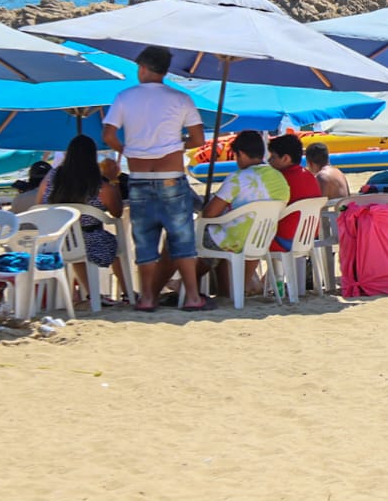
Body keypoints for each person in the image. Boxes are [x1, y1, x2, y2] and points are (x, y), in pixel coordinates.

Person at [102, 44, 208, 312]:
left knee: (145, 240)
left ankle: (147, 298)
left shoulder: (125, 97)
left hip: (139, 177)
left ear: (143, 68)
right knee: (181, 240)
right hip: (171, 175)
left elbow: (108, 135)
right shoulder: (181, 99)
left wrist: (126, 150)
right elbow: (197, 138)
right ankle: (193, 297)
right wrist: (177, 145)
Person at [201, 130, 290, 294]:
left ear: (240, 153)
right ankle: (233, 291)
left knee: (196, 234)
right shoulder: (279, 178)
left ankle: (187, 286)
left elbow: (209, 214)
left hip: (232, 240)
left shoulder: (238, 178)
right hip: (261, 239)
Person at [39, 135, 124, 302]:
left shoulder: (51, 178)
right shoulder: (98, 185)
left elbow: (40, 205)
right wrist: (113, 178)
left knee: (77, 241)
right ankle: (127, 292)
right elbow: (117, 212)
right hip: (91, 243)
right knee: (112, 243)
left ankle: (93, 293)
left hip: (56, 242)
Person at [266, 133, 320, 252]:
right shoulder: (309, 176)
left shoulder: (279, 179)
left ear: (285, 158)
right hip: (309, 237)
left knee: (245, 240)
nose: (269, 161)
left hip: (284, 240)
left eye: (273, 157)